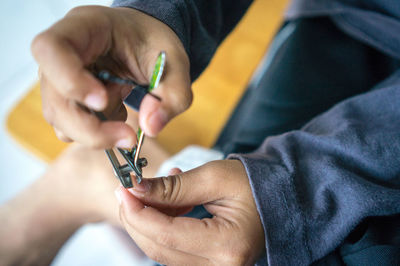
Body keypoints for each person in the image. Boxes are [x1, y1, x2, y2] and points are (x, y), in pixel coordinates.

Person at [8, 0, 400, 265]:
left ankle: (91, 182)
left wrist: (286, 194)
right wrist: (159, 14)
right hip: (348, 20)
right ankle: (87, 182)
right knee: (221, 221)